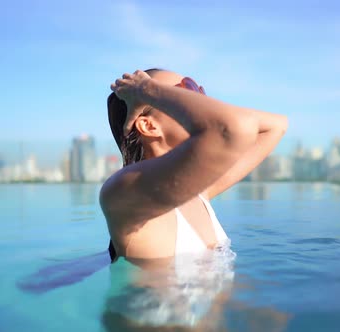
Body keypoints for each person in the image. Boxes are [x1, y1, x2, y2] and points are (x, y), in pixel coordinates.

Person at [101, 68, 288, 264]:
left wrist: (150, 92)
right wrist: (145, 89)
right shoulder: (126, 191)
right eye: (185, 91)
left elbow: (277, 125)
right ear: (149, 126)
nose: (200, 101)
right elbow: (236, 128)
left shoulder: (198, 192)